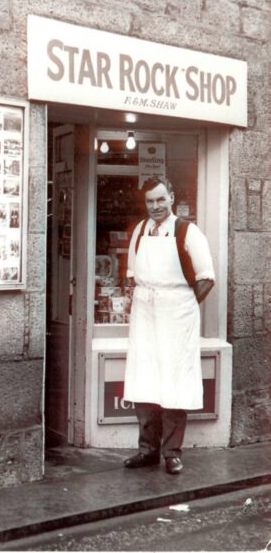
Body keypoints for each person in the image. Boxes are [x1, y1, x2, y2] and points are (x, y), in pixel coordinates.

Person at [123, 176, 215, 475]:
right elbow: (131, 275)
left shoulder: (188, 231)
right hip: (145, 311)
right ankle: (146, 450)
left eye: (161, 199)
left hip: (176, 312)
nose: (155, 206)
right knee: (144, 379)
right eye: (150, 201)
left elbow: (206, 277)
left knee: (174, 382)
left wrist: (185, 306)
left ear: (172, 198)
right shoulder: (139, 230)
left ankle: (172, 453)